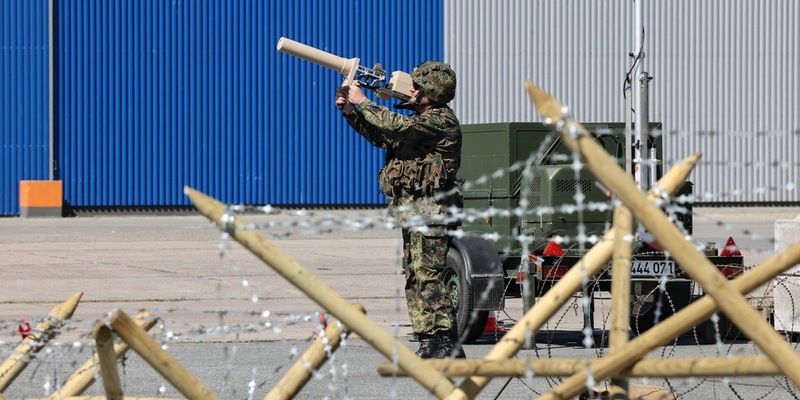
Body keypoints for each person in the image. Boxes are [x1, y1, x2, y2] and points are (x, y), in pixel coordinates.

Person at [335, 61, 465, 358]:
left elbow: (398, 125)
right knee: (414, 274)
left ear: (432, 93)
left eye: (418, 87)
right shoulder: (419, 125)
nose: (412, 90)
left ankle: (448, 339)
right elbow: (383, 135)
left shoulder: (440, 121)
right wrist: (350, 112)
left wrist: (363, 101)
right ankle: (428, 338)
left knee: (429, 274)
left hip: (433, 210)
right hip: (412, 210)